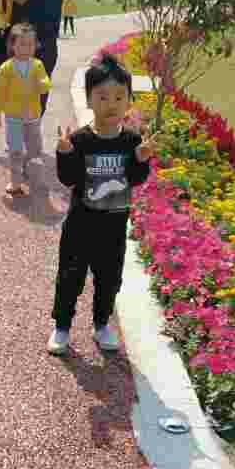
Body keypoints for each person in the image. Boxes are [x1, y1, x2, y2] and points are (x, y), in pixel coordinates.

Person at [47, 55, 158, 356]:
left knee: (109, 279)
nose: (111, 104)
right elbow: (69, 179)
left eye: (119, 97)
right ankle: (62, 326)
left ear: (129, 101)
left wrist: (140, 160)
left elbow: (135, 180)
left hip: (113, 227)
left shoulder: (131, 141)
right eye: (103, 96)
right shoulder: (81, 140)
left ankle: (101, 324)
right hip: (80, 225)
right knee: (70, 276)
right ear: (89, 99)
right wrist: (65, 153)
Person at [0, 23, 50, 196]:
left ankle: (27, 167)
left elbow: (45, 81)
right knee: (15, 150)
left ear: (35, 45)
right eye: (22, 44)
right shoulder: (6, 68)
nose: (27, 48)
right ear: (13, 45)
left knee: (35, 149)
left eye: (31, 44)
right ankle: (15, 181)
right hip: (13, 118)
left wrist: (43, 84)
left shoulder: (38, 65)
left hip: (32, 117)